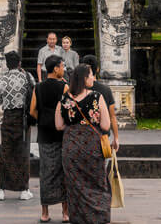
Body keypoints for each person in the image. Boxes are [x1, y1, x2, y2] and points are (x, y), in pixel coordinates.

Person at [55, 64, 111, 224]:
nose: (93, 78)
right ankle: (98, 216)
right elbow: (106, 125)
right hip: (92, 146)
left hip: (71, 146)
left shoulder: (65, 98)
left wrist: (74, 126)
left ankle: (79, 218)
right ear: (85, 78)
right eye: (91, 75)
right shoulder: (96, 97)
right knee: (97, 182)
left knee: (75, 185)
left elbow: (59, 125)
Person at [29, 55, 69, 223]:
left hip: (44, 134)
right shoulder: (65, 87)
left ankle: (45, 212)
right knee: (63, 171)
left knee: (45, 172)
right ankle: (65, 212)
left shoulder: (38, 87)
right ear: (55, 69)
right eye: (62, 66)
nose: (64, 69)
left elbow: (32, 111)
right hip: (62, 134)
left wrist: (43, 119)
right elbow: (69, 109)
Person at [0, 50, 35, 202]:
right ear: (19, 63)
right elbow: (33, 94)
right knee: (22, 152)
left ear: (6, 63)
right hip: (23, 117)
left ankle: (1, 189)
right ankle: (24, 189)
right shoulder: (27, 77)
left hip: (8, 117)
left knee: (6, 151)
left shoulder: (2, 79)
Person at [81, 54, 119, 153]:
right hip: (102, 136)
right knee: (101, 167)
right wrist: (116, 138)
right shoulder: (105, 90)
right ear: (97, 69)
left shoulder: (76, 89)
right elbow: (112, 116)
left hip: (81, 137)